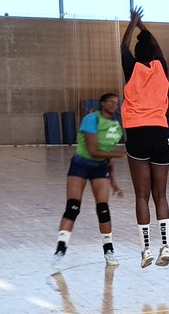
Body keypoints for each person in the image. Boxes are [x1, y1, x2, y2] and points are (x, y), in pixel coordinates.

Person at [121, 6, 169, 268]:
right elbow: (158, 47)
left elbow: (123, 46)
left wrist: (132, 23)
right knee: (160, 195)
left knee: (141, 196)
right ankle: (166, 246)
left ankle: (146, 251)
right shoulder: (161, 68)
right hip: (160, 132)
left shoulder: (132, 68)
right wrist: (143, 26)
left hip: (138, 133)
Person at [53, 93, 125, 269]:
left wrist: (114, 182)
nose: (114, 105)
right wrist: (122, 154)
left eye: (117, 102)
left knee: (103, 209)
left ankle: (109, 251)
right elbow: (93, 150)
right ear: (102, 103)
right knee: (72, 208)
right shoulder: (91, 119)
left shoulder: (116, 126)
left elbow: (107, 155)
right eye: (110, 101)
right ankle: (60, 249)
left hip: (100, 168)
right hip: (81, 165)